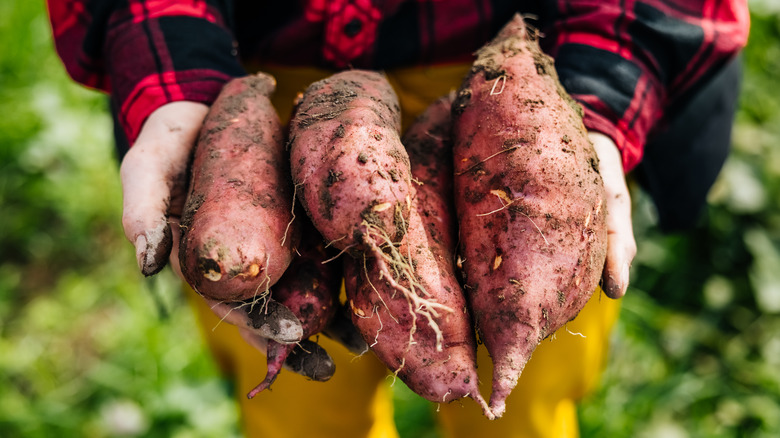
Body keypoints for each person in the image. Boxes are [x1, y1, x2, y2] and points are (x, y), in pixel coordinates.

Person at [48, 1, 749, 437]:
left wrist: (595, 115)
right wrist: (175, 90)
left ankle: (507, 386)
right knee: (288, 359)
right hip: (254, 88)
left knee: (529, 368)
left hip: (526, 94)